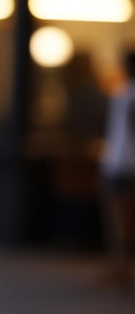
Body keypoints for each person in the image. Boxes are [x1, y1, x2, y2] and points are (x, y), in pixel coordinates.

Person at [99, 52, 135, 289]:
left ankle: (121, 268)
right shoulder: (122, 92)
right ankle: (120, 267)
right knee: (122, 221)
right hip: (120, 162)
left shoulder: (123, 93)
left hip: (121, 163)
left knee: (120, 221)